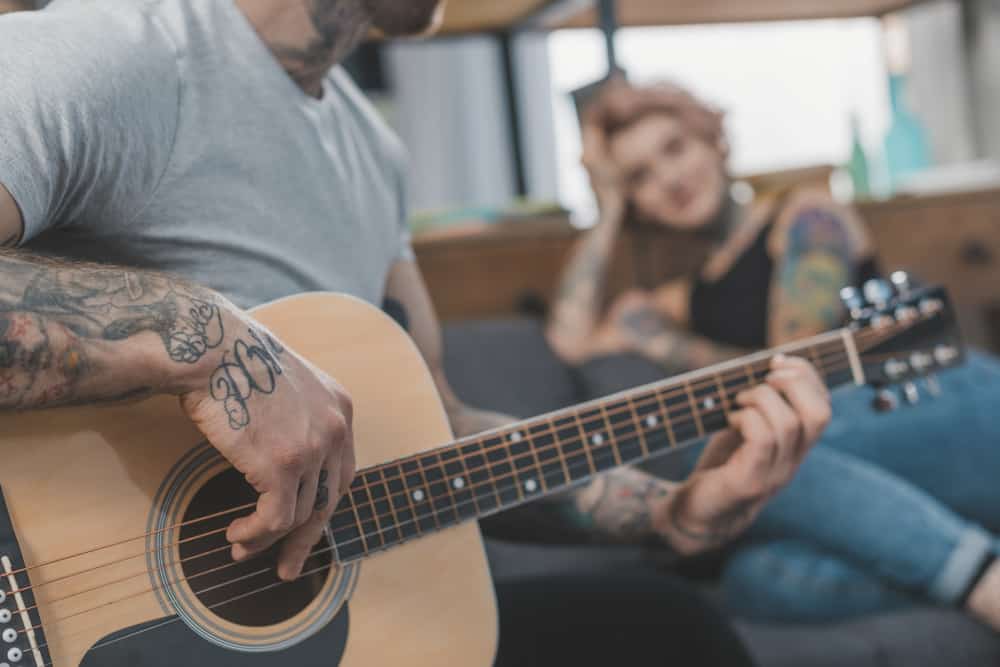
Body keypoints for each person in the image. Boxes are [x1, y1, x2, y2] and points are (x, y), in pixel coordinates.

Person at [0, 2, 833, 664]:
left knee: (662, 629)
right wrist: (206, 335)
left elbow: (443, 429)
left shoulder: (375, 152)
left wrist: (671, 509)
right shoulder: (118, 52)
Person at [546, 79, 1000, 629]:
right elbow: (568, 339)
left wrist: (665, 345)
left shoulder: (806, 217)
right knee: (761, 579)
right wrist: (606, 207)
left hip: (945, 405)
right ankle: (946, 541)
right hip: (867, 467)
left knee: (721, 453)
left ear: (713, 141)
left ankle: (977, 574)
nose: (668, 179)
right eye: (639, 177)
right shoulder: (696, 288)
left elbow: (796, 369)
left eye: (674, 147)